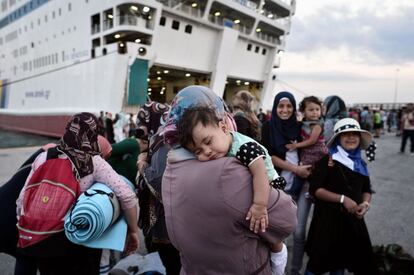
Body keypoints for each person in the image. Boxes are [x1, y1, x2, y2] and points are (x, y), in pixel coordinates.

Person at [162, 85, 298, 274]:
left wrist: (259, 205)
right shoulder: (225, 168)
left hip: (268, 180)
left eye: (208, 142)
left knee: (276, 243)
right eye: (198, 151)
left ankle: (278, 256)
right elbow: (287, 219)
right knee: (271, 233)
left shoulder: (173, 168)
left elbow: (260, 172)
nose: (206, 152)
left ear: (224, 126)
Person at [15, 112, 139, 275]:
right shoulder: (93, 161)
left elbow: (22, 199)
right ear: (94, 134)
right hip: (78, 239)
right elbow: (127, 195)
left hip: (42, 241)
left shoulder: (44, 156)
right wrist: (133, 231)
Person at [305, 118, 379, 275]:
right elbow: (315, 190)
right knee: (316, 265)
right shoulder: (328, 161)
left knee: (340, 265)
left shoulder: (361, 164)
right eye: (346, 134)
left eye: (355, 134)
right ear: (338, 138)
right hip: (327, 222)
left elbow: (366, 189)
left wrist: (365, 204)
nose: (351, 137)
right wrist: (342, 199)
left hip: (352, 222)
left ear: (360, 139)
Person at [260, 91, 312, 275]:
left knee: (298, 233)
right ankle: (275, 269)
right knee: (276, 232)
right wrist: (295, 168)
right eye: (281, 106)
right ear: (275, 107)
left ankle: (295, 270)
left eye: (289, 106)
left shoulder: (299, 127)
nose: (285, 110)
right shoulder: (267, 126)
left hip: (301, 185)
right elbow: (268, 156)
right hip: (278, 188)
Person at [135, 101, 181, 275]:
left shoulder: (163, 139)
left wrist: (141, 164)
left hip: (167, 223)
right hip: (181, 220)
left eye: (142, 123)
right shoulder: (177, 134)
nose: (140, 131)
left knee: (173, 265)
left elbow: (158, 181)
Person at [286, 96, 328, 198]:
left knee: (304, 170)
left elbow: (312, 141)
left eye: (317, 109)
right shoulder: (305, 123)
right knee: (309, 172)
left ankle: (294, 192)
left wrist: (296, 145)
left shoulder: (317, 125)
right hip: (308, 151)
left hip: (316, 151)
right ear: (303, 112)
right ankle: (310, 192)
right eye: (311, 110)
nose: (315, 112)